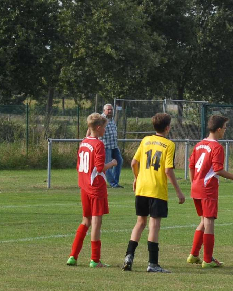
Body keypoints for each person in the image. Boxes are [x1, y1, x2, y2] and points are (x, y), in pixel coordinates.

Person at [122, 113, 186, 273]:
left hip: (142, 187)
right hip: (157, 189)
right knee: (154, 225)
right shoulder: (169, 145)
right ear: (167, 128)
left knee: (140, 223)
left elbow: (134, 163)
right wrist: (179, 191)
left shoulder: (145, 140)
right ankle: (153, 264)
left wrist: (136, 178)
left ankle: (129, 256)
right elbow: (168, 170)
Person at [187, 115, 233, 268]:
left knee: (203, 221)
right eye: (224, 128)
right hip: (207, 188)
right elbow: (218, 170)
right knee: (209, 222)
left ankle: (194, 255)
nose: (225, 130)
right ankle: (207, 259)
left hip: (196, 187)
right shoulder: (217, 147)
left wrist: (193, 183)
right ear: (218, 129)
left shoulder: (199, 145)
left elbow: (191, 166)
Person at [67, 113, 118, 267]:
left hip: (84, 186)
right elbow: (100, 167)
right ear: (98, 127)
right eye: (104, 127)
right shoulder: (98, 144)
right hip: (96, 187)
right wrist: (112, 163)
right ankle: (95, 259)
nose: (105, 130)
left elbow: (79, 165)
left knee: (86, 220)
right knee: (96, 222)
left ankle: (73, 256)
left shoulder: (83, 142)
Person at [102, 103, 123, 188]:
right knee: (107, 165)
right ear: (104, 110)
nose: (110, 111)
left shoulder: (112, 119)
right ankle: (113, 183)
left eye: (111, 109)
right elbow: (91, 128)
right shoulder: (101, 119)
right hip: (106, 146)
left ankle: (115, 182)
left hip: (114, 146)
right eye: (108, 109)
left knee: (119, 161)